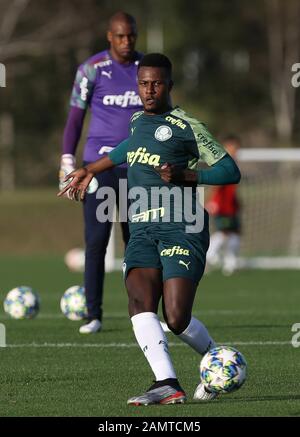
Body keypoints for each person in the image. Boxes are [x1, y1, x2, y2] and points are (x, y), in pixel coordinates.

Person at [58, 53, 241, 405]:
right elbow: (130, 148)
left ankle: (217, 360)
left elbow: (230, 171)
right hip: (142, 229)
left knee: (175, 317)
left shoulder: (188, 126)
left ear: (169, 86)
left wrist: (189, 175)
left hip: (182, 227)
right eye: (143, 83)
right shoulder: (138, 121)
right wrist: (91, 168)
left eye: (157, 83)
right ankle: (166, 382)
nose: (149, 90)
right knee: (139, 300)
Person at [59, 12, 143, 334]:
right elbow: (75, 118)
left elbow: (163, 114)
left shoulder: (146, 69)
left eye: (131, 36)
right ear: (110, 36)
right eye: (120, 37)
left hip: (139, 168)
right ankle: (93, 315)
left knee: (140, 243)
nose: (126, 42)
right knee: (96, 242)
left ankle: (144, 312)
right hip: (99, 168)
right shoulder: (91, 69)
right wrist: (68, 158)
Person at [205, 135, 241, 275]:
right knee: (224, 232)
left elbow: (232, 188)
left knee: (235, 234)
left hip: (231, 206)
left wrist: (238, 202)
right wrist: (212, 201)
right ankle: (209, 254)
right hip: (222, 206)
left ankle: (230, 264)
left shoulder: (234, 162)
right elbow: (217, 185)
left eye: (237, 148)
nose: (235, 150)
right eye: (232, 147)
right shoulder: (223, 163)